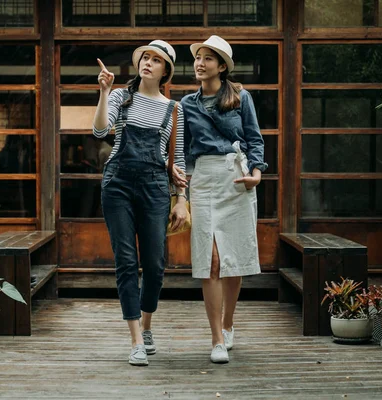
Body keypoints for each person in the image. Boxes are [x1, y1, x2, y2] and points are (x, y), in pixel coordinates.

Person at [93, 40, 188, 366]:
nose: (148, 63)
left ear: (165, 71)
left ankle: (147, 326)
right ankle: (135, 340)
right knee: (126, 262)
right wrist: (105, 93)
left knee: (156, 265)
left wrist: (181, 200)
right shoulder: (121, 96)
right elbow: (100, 130)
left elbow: (179, 158)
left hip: (155, 188)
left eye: (156, 60)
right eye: (145, 57)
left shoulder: (175, 110)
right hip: (117, 185)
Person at [179, 35, 268, 364]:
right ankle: (216, 338)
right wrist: (180, 189)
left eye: (207, 58)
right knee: (211, 258)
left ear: (221, 66)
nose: (199, 63)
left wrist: (257, 172)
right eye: (197, 58)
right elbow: (183, 151)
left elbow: (254, 138)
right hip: (203, 179)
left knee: (234, 257)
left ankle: (228, 325)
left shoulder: (240, 97)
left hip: (236, 177)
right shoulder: (187, 103)